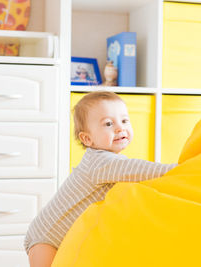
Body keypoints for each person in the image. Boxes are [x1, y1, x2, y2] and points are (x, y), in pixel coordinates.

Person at [25, 91, 177, 267]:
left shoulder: (107, 161)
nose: (120, 128)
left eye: (125, 121)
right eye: (108, 124)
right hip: (46, 237)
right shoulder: (100, 162)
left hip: (64, 237)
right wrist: (182, 169)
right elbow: (147, 171)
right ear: (87, 138)